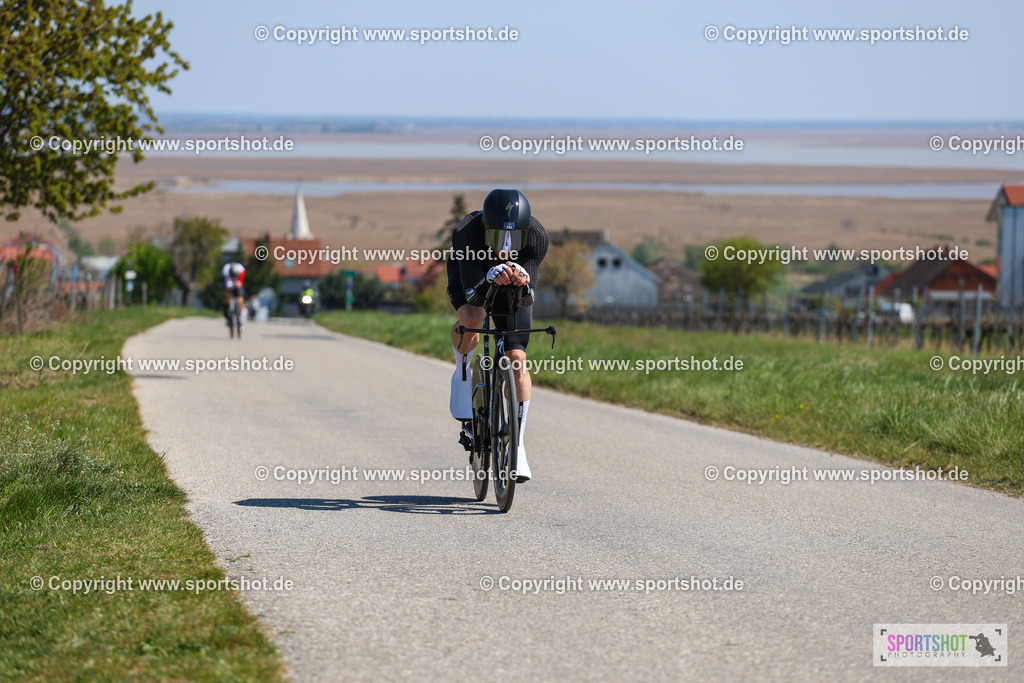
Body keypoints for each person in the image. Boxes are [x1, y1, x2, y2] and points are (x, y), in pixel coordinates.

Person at [447, 189, 549, 482]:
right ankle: (463, 367)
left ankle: (517, 443)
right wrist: (487, 277)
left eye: (513, 241)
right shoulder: (466, 231)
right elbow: (471, 293)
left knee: (517, 358)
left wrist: (522, 278)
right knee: (472, 318)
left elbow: (528, 297)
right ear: (485, 231)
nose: (504, 248)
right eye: (496, 240)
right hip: (473, 274)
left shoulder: (538, 237)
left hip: (512, 285)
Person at [221, 262, 246, 328]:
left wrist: (237, 284)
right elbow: (227, 284)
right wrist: (231, 286)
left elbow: (240, 283)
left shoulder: (241, 269)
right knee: (227, 296)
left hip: (238, 280)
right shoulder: (225, 271)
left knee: (240, 299)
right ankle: (226, 312)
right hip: (227, 281)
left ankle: (242, 314)